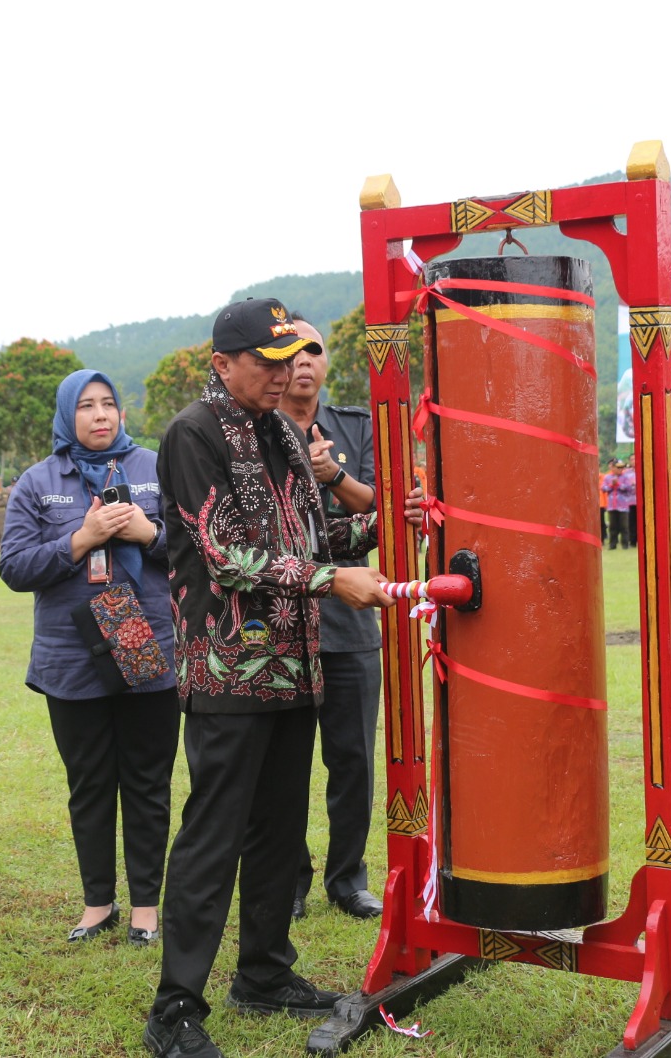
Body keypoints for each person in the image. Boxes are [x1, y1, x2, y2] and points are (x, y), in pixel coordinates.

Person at [143, 298, 394, 1058]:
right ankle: (175, 1007)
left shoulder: (284, 427)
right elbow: (224, 555)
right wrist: (331, 579)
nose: (286, 372)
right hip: (227, 665)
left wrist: (385, 520)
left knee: (280, 830)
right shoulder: (194, 432)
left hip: (297, 662)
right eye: (269, 360)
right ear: (223, 362)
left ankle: (263, 972)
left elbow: (316, 530)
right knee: (212, 836)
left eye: (292, 358)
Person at [0, 369, 179, 947]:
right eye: (86, 406)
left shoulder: (158, 467)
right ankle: (97, 903)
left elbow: (202, 550)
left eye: (109, 404)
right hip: (73, 657)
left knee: (149, 782)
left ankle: (146, 908)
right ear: (66, 415)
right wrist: (81, 538)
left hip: (150, 645)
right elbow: (14, 568)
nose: (100, 415)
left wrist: (149, 535)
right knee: (90, 784)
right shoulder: (38, 481)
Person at [278, 315, 385, 921]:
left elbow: (387, 504)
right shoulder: (252, 431)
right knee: (285, 763)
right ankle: (289, 880)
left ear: (326, 360)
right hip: (280, 624)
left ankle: (348, 879)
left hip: (347, 622)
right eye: (290, 349)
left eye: (313, 349)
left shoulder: (354, 428)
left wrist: (334, 476)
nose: (302, 360)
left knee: (352, 759)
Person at [601, 459, 635, 550]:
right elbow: (603, 488)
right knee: (612, 526)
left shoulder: (626, 477)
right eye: (618, 467)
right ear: (613, 468)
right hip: (612, 506)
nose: (621, 469)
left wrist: (618, 484)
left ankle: (625, 544)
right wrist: (611, 485)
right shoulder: (608, 477)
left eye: (622, 467)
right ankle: (612, 544)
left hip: (623, 506)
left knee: (624, 526)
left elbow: (629, 488)